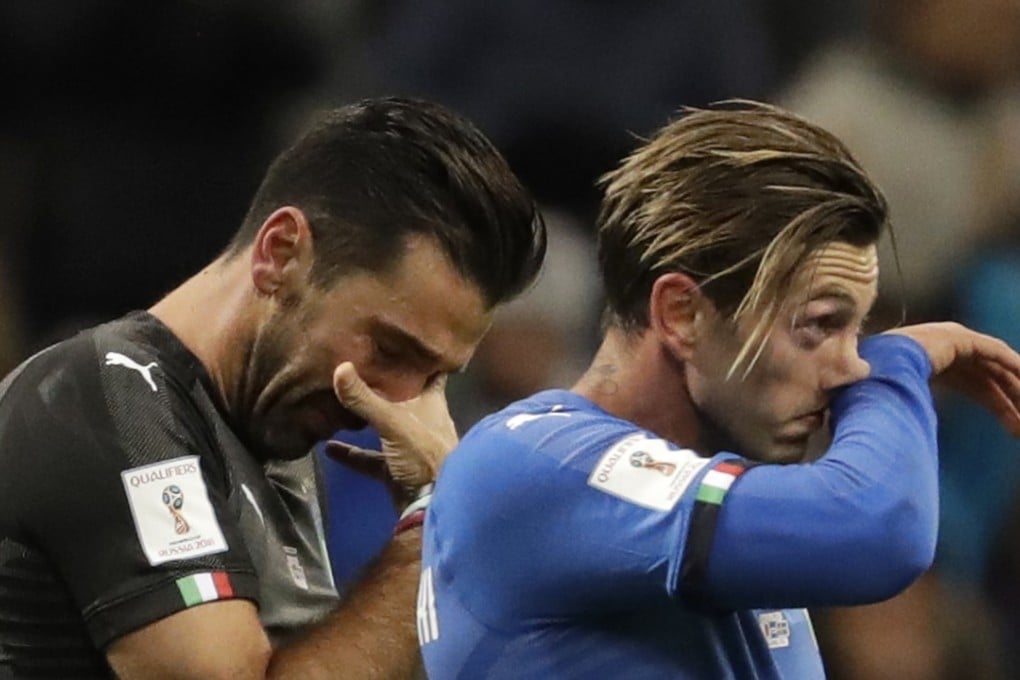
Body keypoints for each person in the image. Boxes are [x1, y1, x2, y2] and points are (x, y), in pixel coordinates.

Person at [413, 101, 1020, 679]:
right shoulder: (536, 461)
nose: (851, 368)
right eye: (820, 324)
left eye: (859, 331)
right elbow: (879, 528)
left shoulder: (727, 513)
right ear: (682, 314)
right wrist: (900, 368)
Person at [0, 97, 546, 679]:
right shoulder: (110, 403)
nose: (393, 404)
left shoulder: (280, 446)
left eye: (434, 376)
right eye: (388, 350)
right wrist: (437, 527)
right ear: (281, 253)